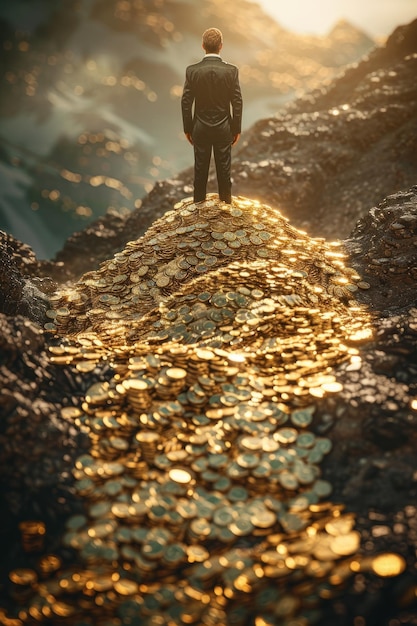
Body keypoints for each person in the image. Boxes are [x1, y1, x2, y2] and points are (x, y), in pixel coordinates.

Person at [181, 27, 243, 204]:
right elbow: (237, 101)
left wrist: (188, 128)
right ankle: (226, 209)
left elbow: (186, 102)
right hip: (224, 127)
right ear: (221, 46)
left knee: (200, 172)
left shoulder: (192, 71)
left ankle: (197, 211)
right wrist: (236, 128)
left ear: (203, 46)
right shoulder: (231, 71)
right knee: (224, 171)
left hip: (199, 127)